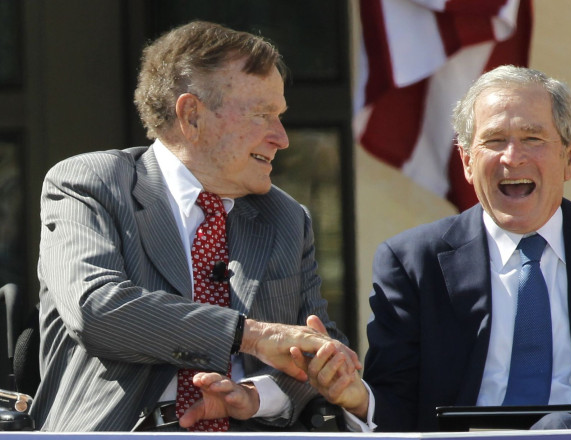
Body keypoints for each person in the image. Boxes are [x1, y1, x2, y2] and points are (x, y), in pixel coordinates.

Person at [299, 65, 571, 431]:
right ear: (467, 162)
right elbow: (395, 409)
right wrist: (358, 400)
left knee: (561, 428)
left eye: (533, 139)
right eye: (493, 140)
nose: (511, 157)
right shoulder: (413, 262)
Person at [31, 20, 358, 432]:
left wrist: (258, 397)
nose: (282, 137)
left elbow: (318, 358)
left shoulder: (286, 218)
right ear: (192, 115)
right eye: (262, 115)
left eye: (280, 117)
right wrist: (250, 336)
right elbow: (96, 309)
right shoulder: (91, 183)